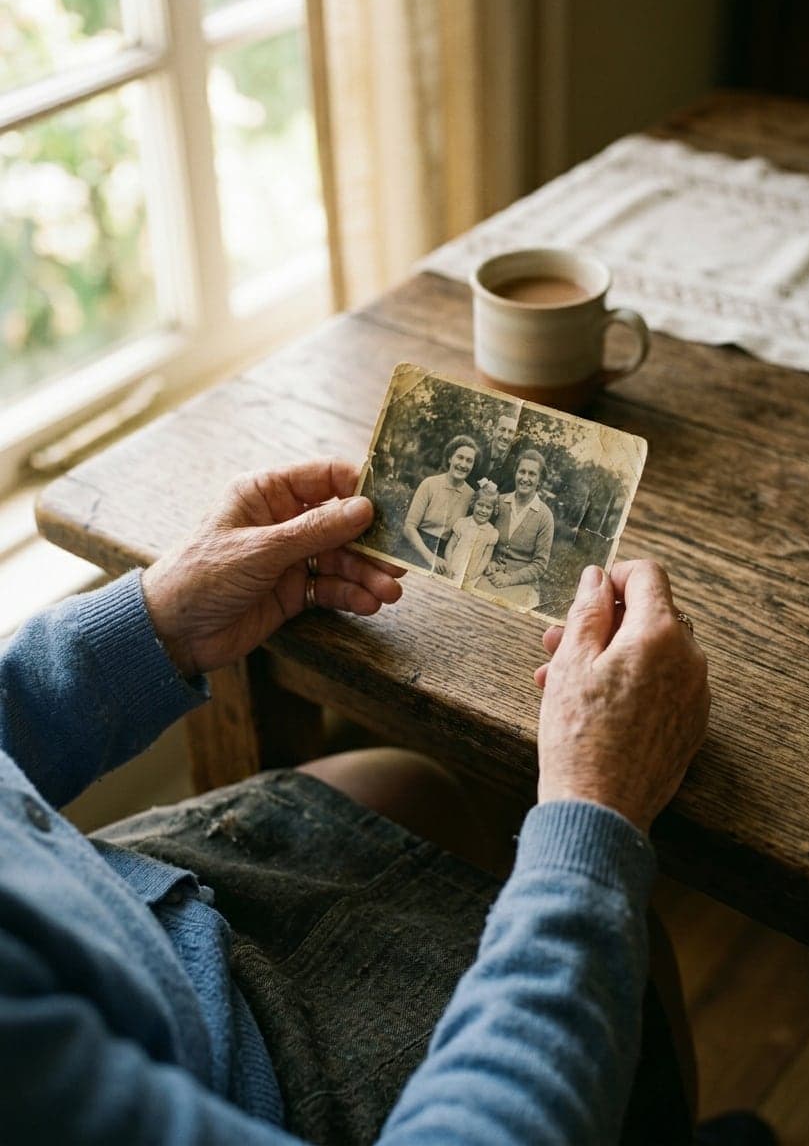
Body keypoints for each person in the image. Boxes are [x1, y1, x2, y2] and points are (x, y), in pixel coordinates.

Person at [0, 456, 714, 1146]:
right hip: (236, 1085)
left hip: (120, 914)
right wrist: (594, 809)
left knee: (407, 787)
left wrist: (152, 623)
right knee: (634, 951)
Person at [475, 448, 554, 611]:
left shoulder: (545, 516)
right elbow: (483, 535)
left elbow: (540, 564)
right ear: (515, 473)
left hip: (522, 585)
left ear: (539, 480)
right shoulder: (499, 502)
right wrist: (489, 561)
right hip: (491, 576)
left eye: (532, 474)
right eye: (521, 472)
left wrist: (510, 579)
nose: (525, 478)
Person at [401, 434, 479, 572]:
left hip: (445, 553)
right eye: (459, 457)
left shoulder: (471, 495)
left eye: (469, 461)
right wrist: (431, 558)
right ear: (450, 458)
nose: (463, 464)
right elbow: (409, 527)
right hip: (416, 547)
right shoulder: (429, 484)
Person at [441, 481, 500, 585]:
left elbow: (485, 559)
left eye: (488, 507)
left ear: (494, 510)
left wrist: (473, 575)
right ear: (473, 504)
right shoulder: (462, 523)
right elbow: (450, 547)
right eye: (480, 505)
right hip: (452, 570)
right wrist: (449, 565)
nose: (483, 510)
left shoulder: (492, 533)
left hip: (472, 576)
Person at [469, 411, 519, 493]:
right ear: (494, 431)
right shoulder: (475, 453)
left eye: (511, 432)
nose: (505, 436)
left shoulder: (514, 468)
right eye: (502, 430)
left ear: (514, 437)